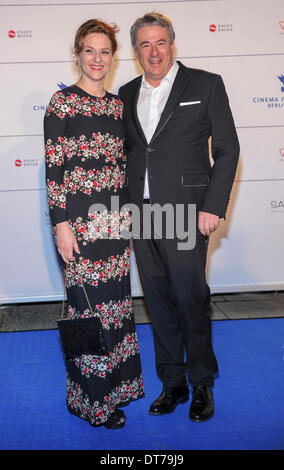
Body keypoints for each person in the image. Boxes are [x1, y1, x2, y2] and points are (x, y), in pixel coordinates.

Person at [119, 12, 239, 422]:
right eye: (144, 45)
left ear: (172, 43)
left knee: (190, 299)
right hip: (143, 214)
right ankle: (172, 383)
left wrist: (212, 206)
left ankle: (202, 382)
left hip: (188, 213)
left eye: (160, 42)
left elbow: (227, 150)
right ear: (136, 51)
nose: (154, 52)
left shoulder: (205, 84)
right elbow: (128, 156)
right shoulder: (125, 92)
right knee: (158, 302)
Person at [44, 19, 144, 429]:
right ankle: (89, 399)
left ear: (113, 56)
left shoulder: (118, 107)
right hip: (78, 228)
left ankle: (111, 392)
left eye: (105, 51)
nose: (97, 59)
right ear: (77, 54)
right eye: (89, 50)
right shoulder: (61, 103)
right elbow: (54, 171)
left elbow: (124, 169)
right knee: (85, 314)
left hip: (115, 227)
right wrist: (61, 225)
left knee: (117, 309)